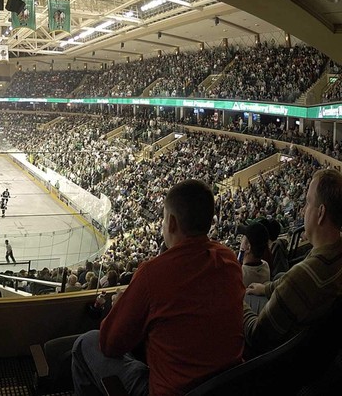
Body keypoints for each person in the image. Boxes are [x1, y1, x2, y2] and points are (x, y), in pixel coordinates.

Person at [71, 179, 244, 396]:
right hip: (227, 386)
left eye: (162, 219)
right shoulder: (229, 260)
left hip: (170, 391)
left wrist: (120, 306)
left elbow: (109, 344)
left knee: (85, 343)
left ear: (171, 222)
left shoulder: (153, 273)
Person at [244, 169, 342, 355]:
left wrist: (235, 299)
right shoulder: (335, 252)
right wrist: (266, 288)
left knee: (244, 298)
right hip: (317, 352)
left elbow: (257, 336)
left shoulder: (303, 276)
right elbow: (288, 283)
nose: (304, 210)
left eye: (307, 202)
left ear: (320, 213)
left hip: (279, 362)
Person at [238, 222, 271, 287]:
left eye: (243, 238)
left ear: (248, 247)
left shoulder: (240, 274)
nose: (241, 241)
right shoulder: (265, 266)